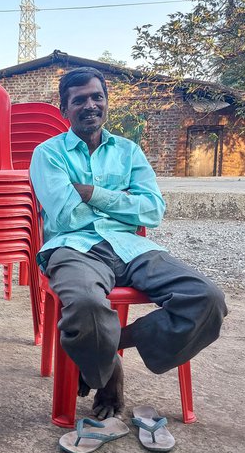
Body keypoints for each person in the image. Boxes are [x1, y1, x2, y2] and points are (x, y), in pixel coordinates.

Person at [30, 67, 226, 426]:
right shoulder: (48, 154)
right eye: (79, 100)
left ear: (106, 102)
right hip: (74, 248)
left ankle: (111, 343)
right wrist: (122, 200)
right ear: (64, 109)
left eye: (96, 97)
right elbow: (68, 215)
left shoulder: (128, 151)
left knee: (206, 299)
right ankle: (110, 373)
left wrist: (91, 192)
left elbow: (152, 210)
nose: (90, 105)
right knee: (87, 306)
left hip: (130, 247)